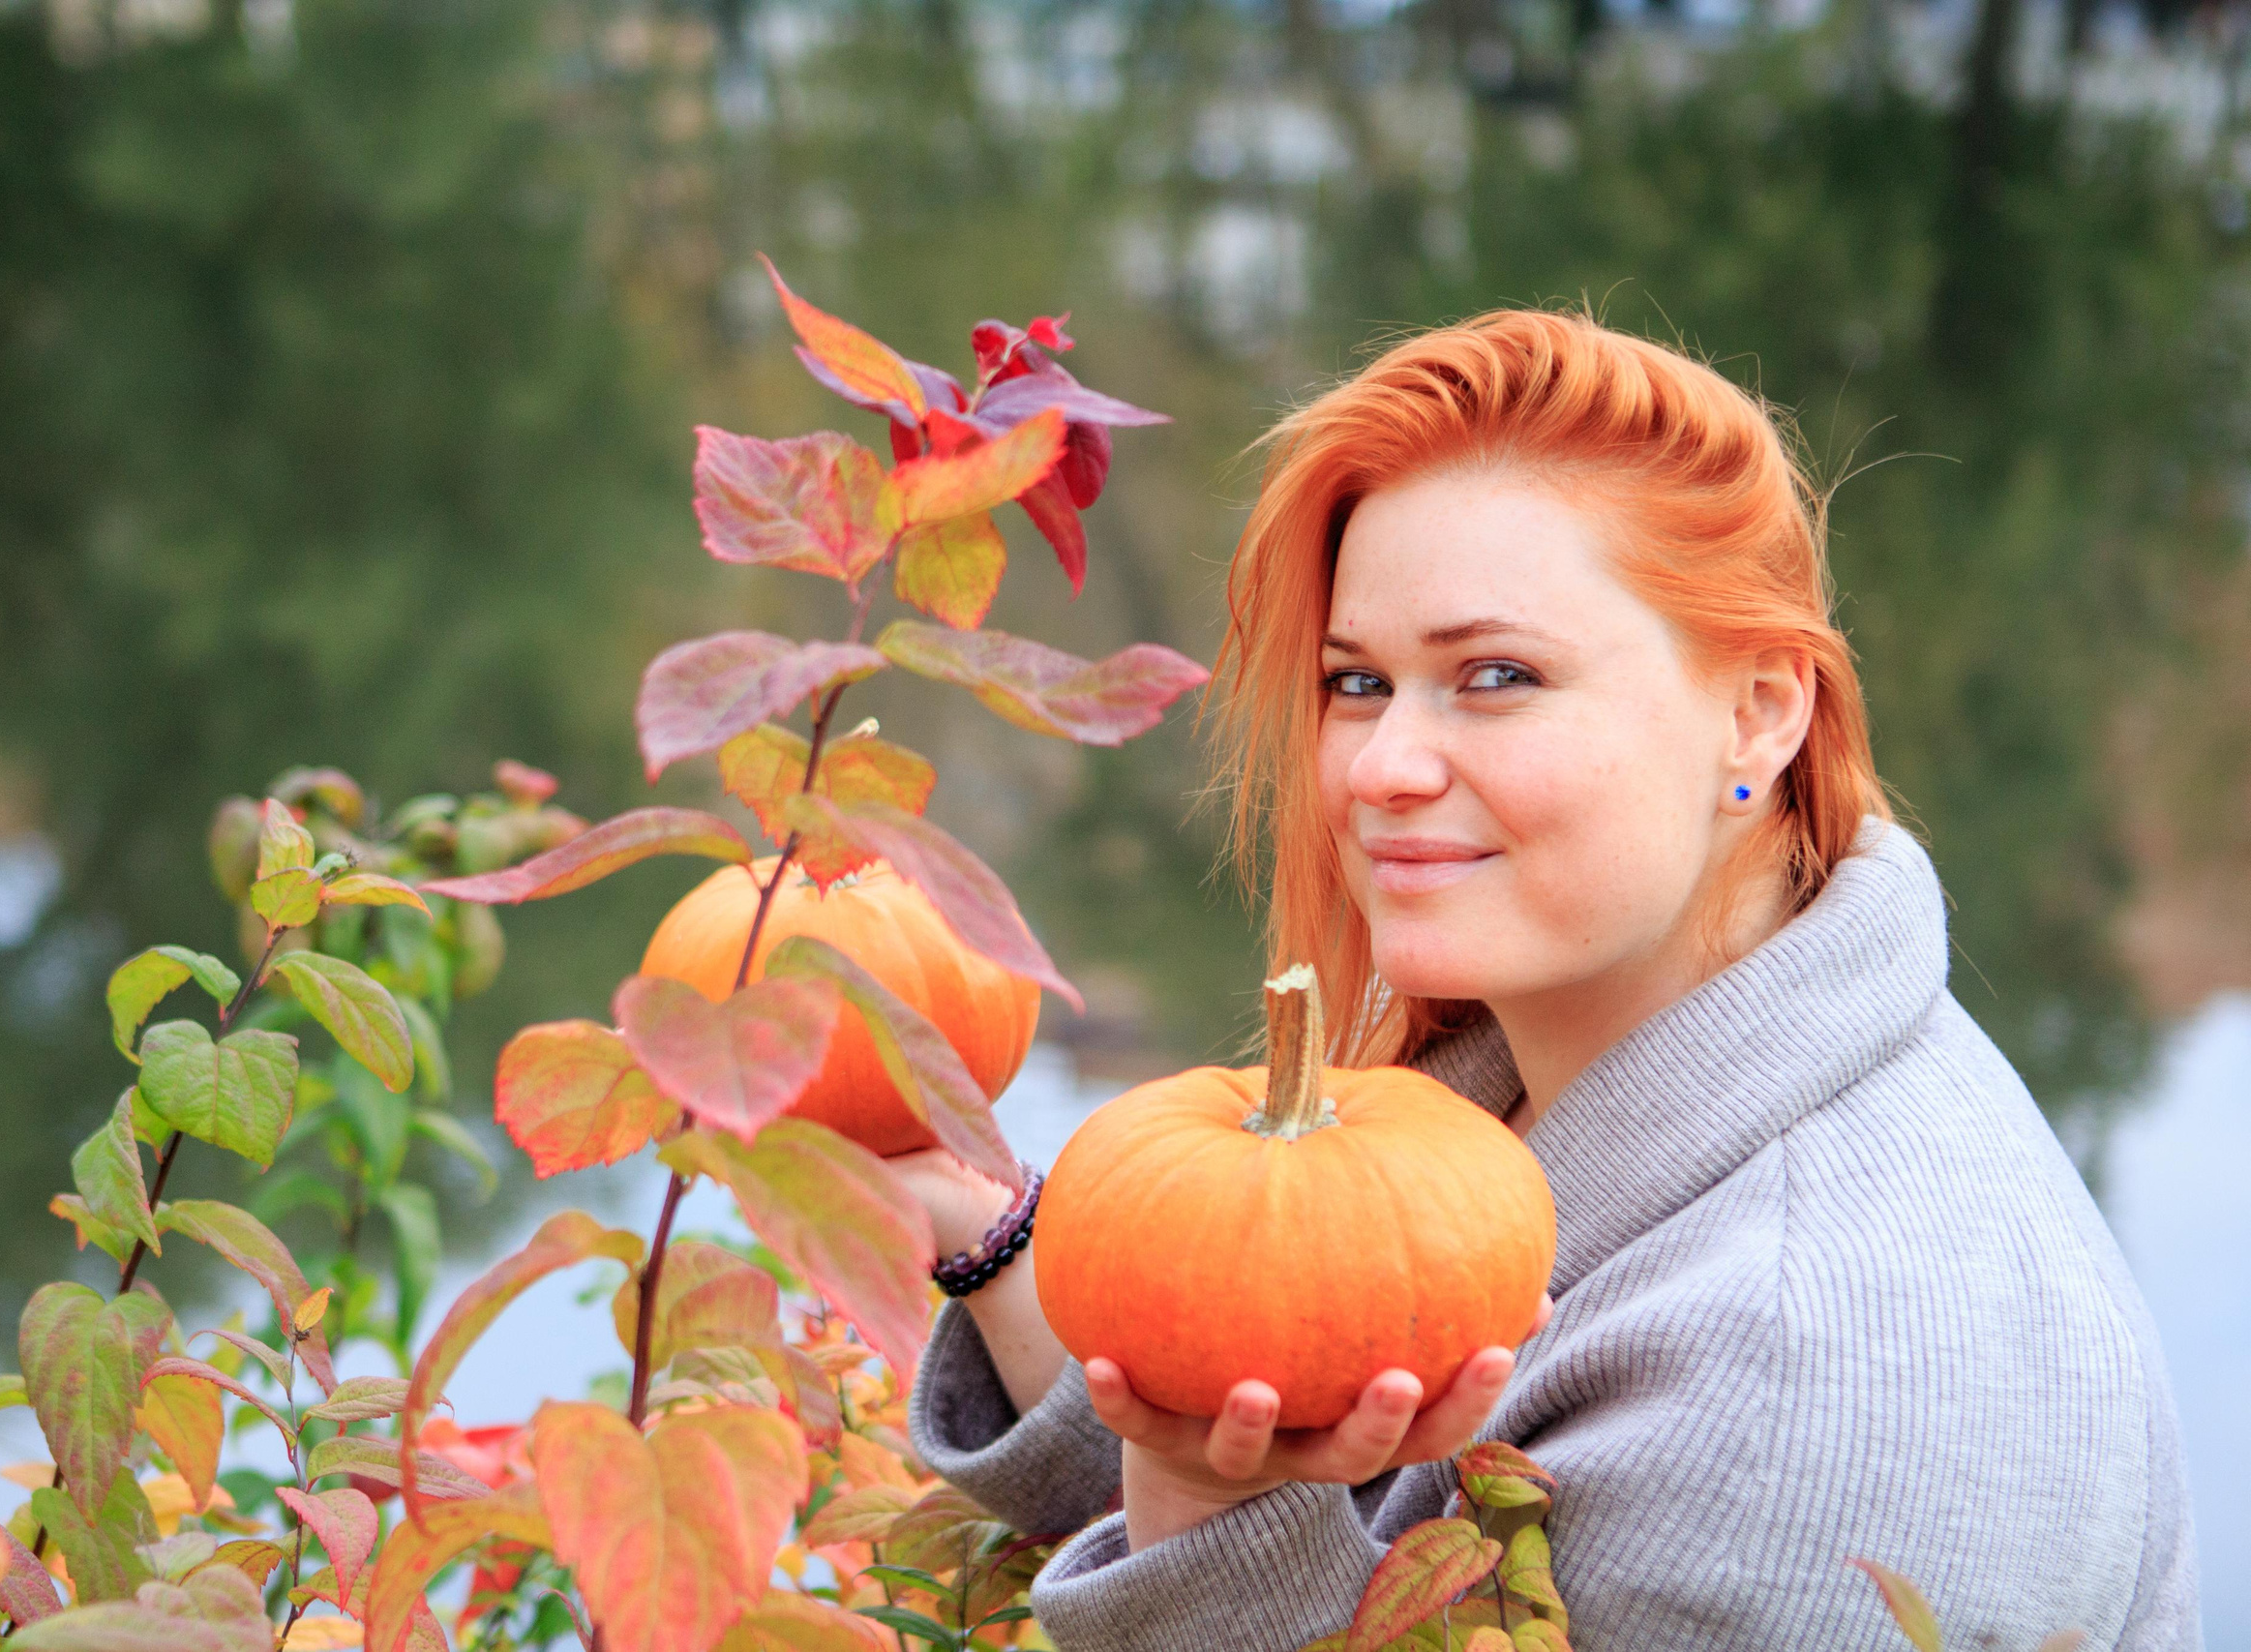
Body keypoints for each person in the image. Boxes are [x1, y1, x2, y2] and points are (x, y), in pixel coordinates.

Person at [885, 309, 2203, 1652]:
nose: (1381, 767)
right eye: (1357, 681)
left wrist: (1206, 1533)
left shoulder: (1782, 1406)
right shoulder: (1610, 1052)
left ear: (1759, 710)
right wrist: (978, 1225)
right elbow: (1297, 1410)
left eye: (1495, 676)